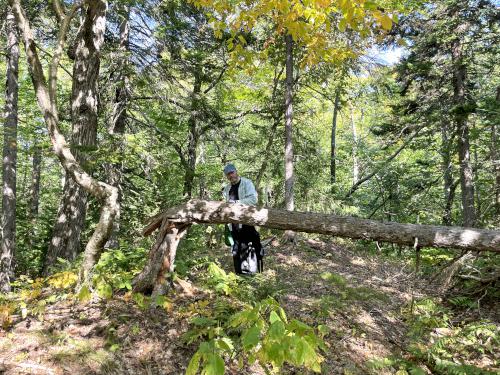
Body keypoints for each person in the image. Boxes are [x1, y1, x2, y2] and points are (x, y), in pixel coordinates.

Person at [222, 163, 263, 274]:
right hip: (233, 225)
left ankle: (251, 274)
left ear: (236, 171)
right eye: (228, 174)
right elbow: (225, 205)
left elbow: (253, 200)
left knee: (248, 248)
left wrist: (236, 202)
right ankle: (239, 274)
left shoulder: (246, 183)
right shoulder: (227, 189)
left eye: (232, 173)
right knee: (235, 250)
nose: (230, 176)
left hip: (247, 223)